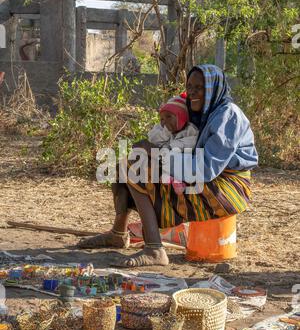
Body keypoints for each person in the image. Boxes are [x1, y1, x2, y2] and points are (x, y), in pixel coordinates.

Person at [78, 64, 258, 267]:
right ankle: (118, 234)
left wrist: (157, 156)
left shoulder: (228, 115)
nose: (192, 93)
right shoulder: (203, 112)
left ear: (213, 88)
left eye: (199, 87)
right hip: (201, 175)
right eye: (189, 87)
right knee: (121, 166)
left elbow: (205, 169)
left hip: (228, 186)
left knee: (134, 169)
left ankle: (155, 249)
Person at [147, 96, 198, 195]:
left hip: (182, 156)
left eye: (169, 117)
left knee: (178, 160)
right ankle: (168, 177)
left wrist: (173, 146)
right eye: (162, 119)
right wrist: (166, 133)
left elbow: (192, 142)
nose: (164, 121)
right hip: (164, 156)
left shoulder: (190, 130)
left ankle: (178, 181)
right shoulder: (163, 130)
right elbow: (152, 138)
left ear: (181, 116)